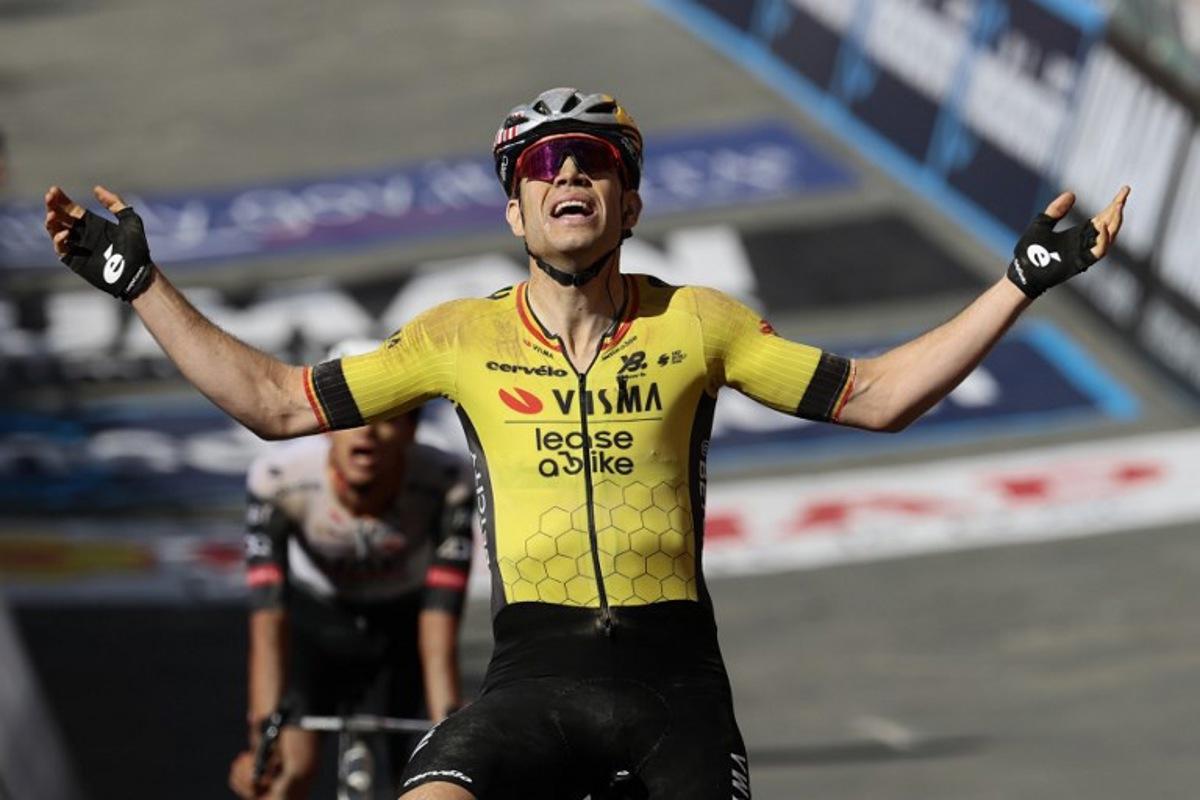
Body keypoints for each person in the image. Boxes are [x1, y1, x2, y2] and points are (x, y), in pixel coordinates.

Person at [44, 87, 1128, 800]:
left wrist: (1022, 277)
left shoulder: (699, 321)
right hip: (534, 671)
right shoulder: (456, 337)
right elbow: (280, 403)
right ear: (516, 212)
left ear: (629, 199)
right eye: (543, 162)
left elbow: (881, 395)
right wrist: (140, 283)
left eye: (595, 159)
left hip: (677, 685)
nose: (569, 172)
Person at [225, 342, 474, 800]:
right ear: (324, 429)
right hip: (315, 628)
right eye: (350, 419)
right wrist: (262, 742)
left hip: (402, 635)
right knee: (281, 778)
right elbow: (268, 619)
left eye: (388, 417)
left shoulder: (447, 481)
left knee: (436, 783)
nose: (367, 433)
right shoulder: (279, 480)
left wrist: (448, 731)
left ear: (412, 429)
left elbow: (439, 626)